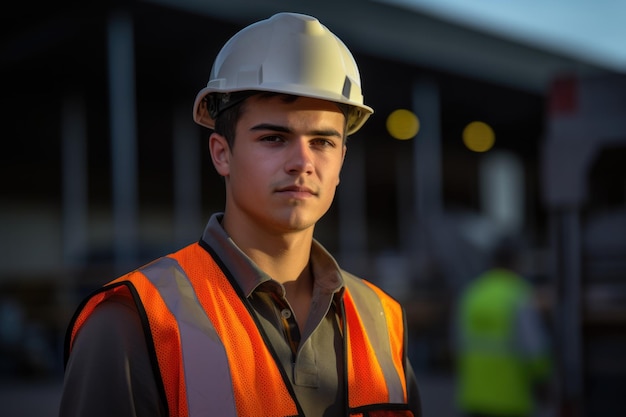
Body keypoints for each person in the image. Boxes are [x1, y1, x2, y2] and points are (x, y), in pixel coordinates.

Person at [59, 12, 421, 417]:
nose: (302, 162)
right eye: (274, 138)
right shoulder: (132, 322)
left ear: (341, 160)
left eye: (322, 141)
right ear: (221, 153)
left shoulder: (383, 319)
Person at [452, 237, 552, 417]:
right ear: (516, 262)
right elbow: (534, 348)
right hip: (511, 401)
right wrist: (543, 378)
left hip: (474, 400)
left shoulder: (472, 294)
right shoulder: (519, 295)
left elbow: (457, 345)